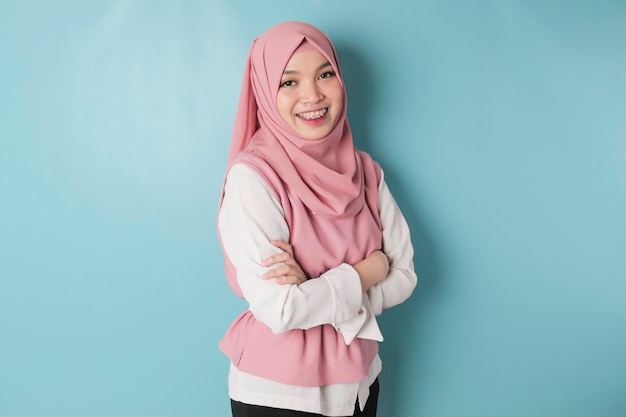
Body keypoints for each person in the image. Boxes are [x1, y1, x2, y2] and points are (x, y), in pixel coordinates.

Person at [217, 21, 417, 417]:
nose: (312, 95)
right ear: (265, 91)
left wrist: (315, 288)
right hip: (277, 395)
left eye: (324, 74)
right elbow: (280, 309)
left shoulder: (366, 172)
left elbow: (404, 276)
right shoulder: (253, 179)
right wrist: (365, 272)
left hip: (360, 384)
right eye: (288, 82)